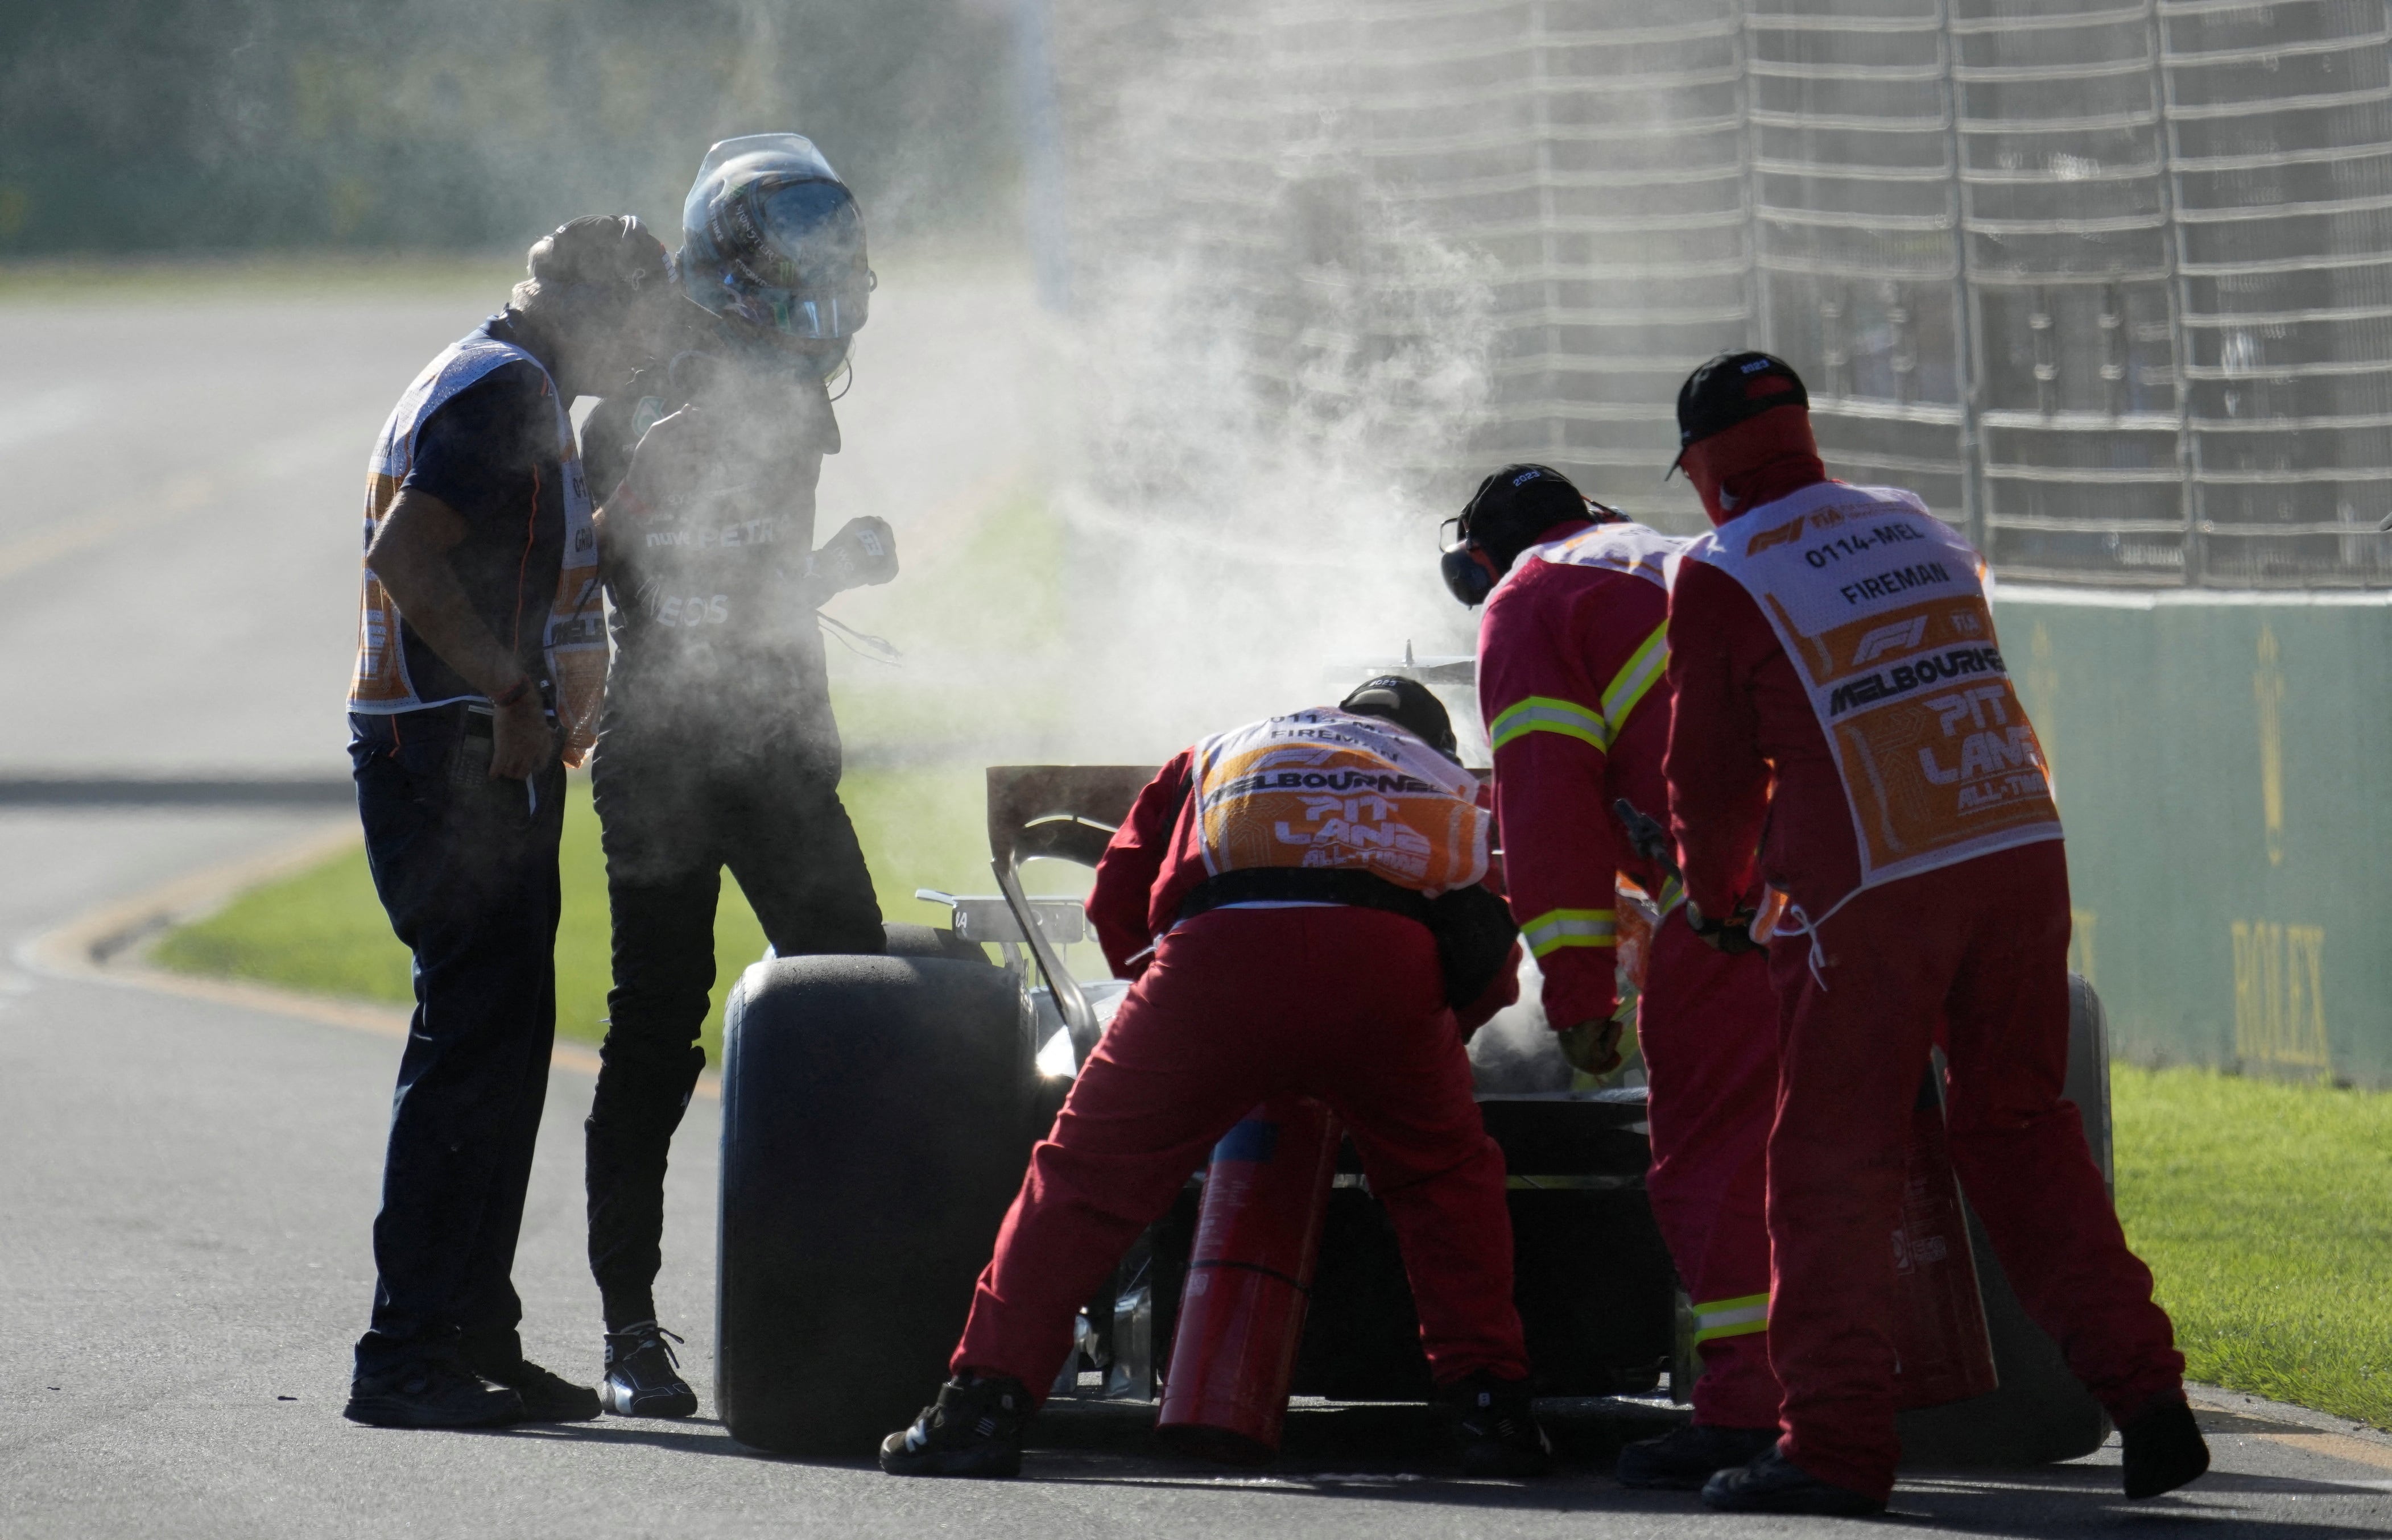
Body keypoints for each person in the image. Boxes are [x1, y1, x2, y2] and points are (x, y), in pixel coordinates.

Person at [1659, 351, 2207, 1514]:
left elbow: (1707, 772)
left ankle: (1838, 1447)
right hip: (2017, 843)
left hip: (1875, 882)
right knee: (2018, 1123)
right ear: (1805, 434)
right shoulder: (1918, 521)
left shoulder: (1719, 568)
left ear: (1704, 468)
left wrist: (1716, 898)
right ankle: (2149, 1398)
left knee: (1829, 1164)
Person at [878, 679, 1550, 1479]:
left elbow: (1117, 896)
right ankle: (1491, 1414)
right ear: (1433, 740)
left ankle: (980, 1408)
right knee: (1445, 1182)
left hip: (1216, 959)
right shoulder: (1451, 782)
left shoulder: (1225, 747)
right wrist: (1445, 1035)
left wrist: (1165, 1006)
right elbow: (1488, 945)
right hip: (1380, 967)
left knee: (1082, 1181)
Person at [573, 134, 895, 1419]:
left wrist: (834, 574)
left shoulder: (793, 393)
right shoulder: (630, 408)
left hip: (780, 747)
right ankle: (629, 1326)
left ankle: (866, 1284)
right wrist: (641, 504)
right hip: (663, 751)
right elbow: (615, 579)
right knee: (657, 1025)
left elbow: (754, 582)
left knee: (861, 1003)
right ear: (733, 262)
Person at [342, 216, 672, 1428]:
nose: (650, 352)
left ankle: (474, 1331)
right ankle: (405, 1352)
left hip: (478, 754)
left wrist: (545, 690)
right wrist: (508, 688)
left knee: (504, 1047)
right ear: (598, 310)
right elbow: (407, 557)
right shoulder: (503, 394)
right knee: (470, 1051)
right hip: (450, 755)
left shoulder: (503, 375)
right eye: (644, 323)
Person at [1440, 462, 1786, 1487]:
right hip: (1848, 884)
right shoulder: (1686, 559)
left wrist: (1580, 995)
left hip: (1732, 908)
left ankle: (1744, 1414)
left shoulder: (1530, 596)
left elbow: (1545, 812)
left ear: (1477, 564)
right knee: (1820, 1156)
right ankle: (1852, 1393)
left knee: (1713, 1164)